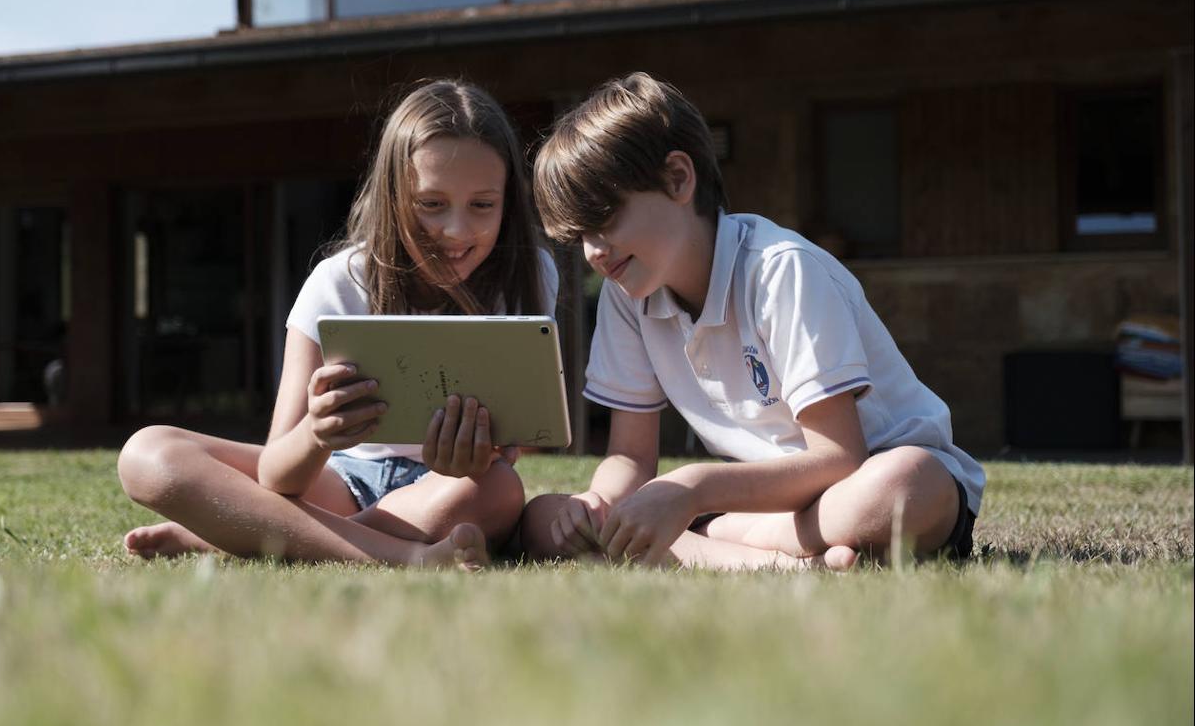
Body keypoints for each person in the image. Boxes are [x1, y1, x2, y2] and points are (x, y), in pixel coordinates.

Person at [521, 72, 984, 571]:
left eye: (605, 218)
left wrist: (694, 491)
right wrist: (599, 503)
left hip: (865, 480)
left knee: (905, 483)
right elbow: (630, 458)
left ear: (678, 178)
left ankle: (718, 541)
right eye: (581, 234)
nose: (593, 250)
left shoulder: (780, 268)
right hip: (766, 497)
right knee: (542, 518)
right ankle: (788, 561)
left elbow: (840, 458)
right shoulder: (626, 294)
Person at [119, 79, 557, 571]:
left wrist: (483, 451)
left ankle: (243, 535)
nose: (456, 231)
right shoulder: (337, 283)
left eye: (482, 205)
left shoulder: (529, 272)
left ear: (508, 203)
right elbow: (276, 472)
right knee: (147, 453)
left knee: (498, 489)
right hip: (336, 482)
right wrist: (318, 434)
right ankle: (404, 556)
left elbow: (524, 437)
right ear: (393, 196)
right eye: (431, 204)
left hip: (444, 492)